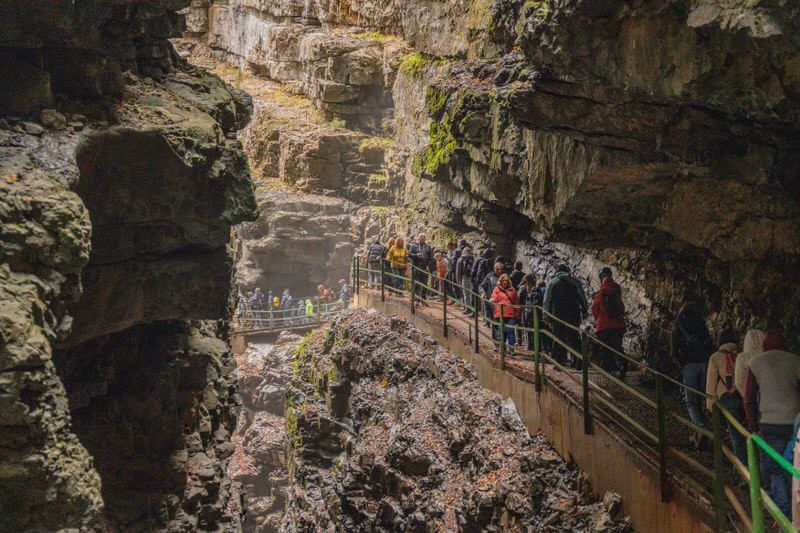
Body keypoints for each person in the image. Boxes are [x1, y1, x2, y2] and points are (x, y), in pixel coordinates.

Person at [743, 329, 800, 518]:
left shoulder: (755, 363)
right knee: (793, 469)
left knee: (776, 471)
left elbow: (748, 398)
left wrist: (753, 428)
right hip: (794, 424)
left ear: (764, 344)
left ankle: (783, 516)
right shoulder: (795, 361)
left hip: (769, 424)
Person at [670, 303, 715, 432]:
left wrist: (682, 366)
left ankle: (701, 428)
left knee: (691, 400)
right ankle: (711, 427)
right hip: (705, 364)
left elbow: (674, 352)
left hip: (689, 366)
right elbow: (709, 343)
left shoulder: (677, 327)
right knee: (704, 396)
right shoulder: (700, 324)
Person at [705, 329, 746, 465]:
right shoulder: (742, 355)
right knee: (748, 433)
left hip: (727, 399)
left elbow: (711, 384)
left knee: (736, 435)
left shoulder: (715, 357)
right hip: (744, 398)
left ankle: (744, 470)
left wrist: (710, 407)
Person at [543, 264, 588, 368]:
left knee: (559, 338)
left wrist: (546, 316)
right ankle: (579, 361)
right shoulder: (575, 282)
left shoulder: (552, 283)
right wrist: (585, 313)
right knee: (574, 338)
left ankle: (559, 363)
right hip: (573, 315)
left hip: (557, 315)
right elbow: (583, 299)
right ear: (567, 271)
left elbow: (546, 301)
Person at [591, 267, 627, 379]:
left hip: (603, 326)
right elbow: (621, 308)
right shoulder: (617, 290)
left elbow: (594, 311)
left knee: (605, 349)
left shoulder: (599, 294)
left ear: (601, 278)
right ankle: (622, 366)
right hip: (618, 325)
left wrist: (599, 319)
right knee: (617, 347)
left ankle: (607, 372)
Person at [490, 274, 521, 347]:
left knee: (510, 331)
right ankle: (502, 348)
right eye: (504, 280)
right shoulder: (497, 289)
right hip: (500, 313)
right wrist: (492, 299)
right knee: (502, 332)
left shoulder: (513, 290)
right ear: (501, 281)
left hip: (510, 314)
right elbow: (493, 297)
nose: (505, 282)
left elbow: (516, 303)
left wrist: (517, 315)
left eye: (507, 281)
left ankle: (511, 348)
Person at [734, 328, 765, 394]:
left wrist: (746, 395)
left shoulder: (742, 357)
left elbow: (739, 382)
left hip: (750, 394)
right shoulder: (767, 355)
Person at [517, 274, 544, 350]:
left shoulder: (523, 288)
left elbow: (519, 300)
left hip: (526, 312)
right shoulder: (536, 289)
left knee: (528, 331)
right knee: (535, 331)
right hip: (534, 313)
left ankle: (529, 346)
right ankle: (536, 348)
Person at [408, 233, 435, 300]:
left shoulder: (428, 247)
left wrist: (428, 266)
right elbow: (409, 254)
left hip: (424, 267)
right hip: (416, 266)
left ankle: (423, 297)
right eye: (421, 237)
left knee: (424, 282)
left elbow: (431, 258)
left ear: (425, 239)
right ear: (418, 238)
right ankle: (415, 297)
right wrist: (416, 255)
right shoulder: (413, 246)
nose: (422, 239)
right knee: (416, 282)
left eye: (423, 238)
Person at [481, 262, 504, 335]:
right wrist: (482, 292)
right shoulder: (489, 276)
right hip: (492, 301)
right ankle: (496, 340)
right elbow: (482, 285)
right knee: (495, 321)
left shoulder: (505, 277)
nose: (499, 271)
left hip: (502, 302)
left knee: (500, 321)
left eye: (501, 269)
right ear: (494, 269)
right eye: (497, 269)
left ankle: (500, 338)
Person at [456, 247, 475, 316]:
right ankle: (472, 309)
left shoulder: (461, 259)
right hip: (472, 278)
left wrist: (458, 280)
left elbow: (458, 271)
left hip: (465, 277)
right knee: (471, 294)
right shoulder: (472, 258)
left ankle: (467, 309)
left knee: (466, 293)